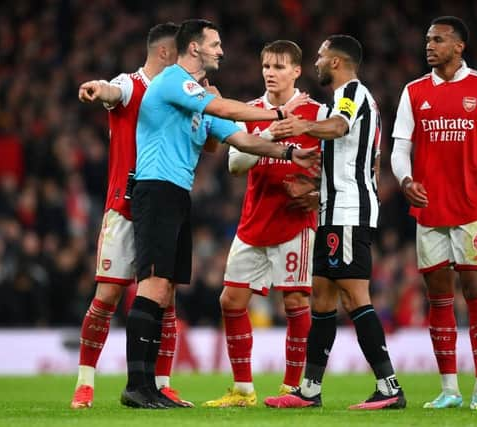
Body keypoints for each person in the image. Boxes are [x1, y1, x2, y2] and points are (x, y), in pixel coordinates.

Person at [122, 19, 319, 409]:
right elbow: (226, 108)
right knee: (152, 286)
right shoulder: (174, 79)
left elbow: (239, 139)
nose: (221, 51)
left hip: (177, 194)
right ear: (193, 48)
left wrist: (289, 153)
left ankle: (150, 386)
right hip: (155, 189)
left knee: (164, 291)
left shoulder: (197, 95)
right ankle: (137, 385)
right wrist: (280, 115)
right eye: (214, 43)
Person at [264, 35, 406, 410]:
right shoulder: (337, 101)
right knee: (323, 298)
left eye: (321, 56)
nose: (317, 61)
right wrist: (312, 184)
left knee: (354, 296)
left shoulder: (352, 94)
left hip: (349, 212)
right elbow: (340, 152)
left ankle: (389, 387)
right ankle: (309, 390)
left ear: (338, 62)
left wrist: (298, 126)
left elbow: (340, 128)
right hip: (331, 211)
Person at [390, 16, 477, 410]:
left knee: (476, 291)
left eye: (438, 40)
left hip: (473, 207)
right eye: (428, 39)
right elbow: (399, 148)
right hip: (430, 209)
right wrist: (405, 179)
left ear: (459, 46)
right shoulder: (414, 91)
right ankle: (449, 389)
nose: (429, 46)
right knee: (438, 296)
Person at [70, 23, 192, 409]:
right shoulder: (131, 84)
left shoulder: (181, 94)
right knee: (107, 296)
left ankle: (161, 382)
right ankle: (85, 382)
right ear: (166, 54)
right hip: (124, 207)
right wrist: (98, 87)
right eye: (185, 52)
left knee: (165, 298)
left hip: (162, 205)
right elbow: (113, 90)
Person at [202, 40, 320, 408]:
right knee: (231, 301)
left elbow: (333, 166)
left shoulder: (317, 113)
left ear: (297, 71)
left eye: (279, 66)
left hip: (295, 221)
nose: (270, 72)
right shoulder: (249, 111)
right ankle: (243, 389)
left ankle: (291, 388)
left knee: (296, 300)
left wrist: (318, 194)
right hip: (254, 221)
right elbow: (235, 165)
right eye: (266, 65)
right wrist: (271, 131)